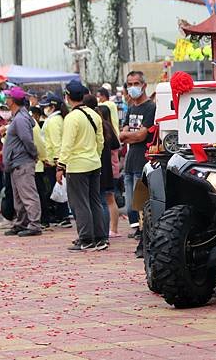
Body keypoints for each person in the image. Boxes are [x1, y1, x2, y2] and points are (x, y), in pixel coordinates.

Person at [57, 80, 106, 251]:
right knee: (95, 201)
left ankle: (86, 238)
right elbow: (100, 141)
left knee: (80, 203)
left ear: (68, 97)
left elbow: (67, 145)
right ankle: (100, 238)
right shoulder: (94, 114)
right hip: (94, 162)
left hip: (77, 166)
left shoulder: (72, 118)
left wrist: (60, 166)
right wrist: (95, 156)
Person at [119, 71, 156, 244]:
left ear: (144, 85)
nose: (132, 87)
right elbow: (123, 132)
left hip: (143, 161)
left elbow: (142, 135)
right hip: (130, 161)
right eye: (129, 84)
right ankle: (138, 231)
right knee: (129, 205)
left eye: (136, 83)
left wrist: (128, 134)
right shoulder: (131, 107)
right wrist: (128, 134)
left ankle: (144, 236)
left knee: (140, 203)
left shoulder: (151, 108)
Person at [2, 87, 43, 237]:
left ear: (13, 101)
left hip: (22, 162)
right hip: (17, 162)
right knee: (19, 197)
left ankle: (34, 224)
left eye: (8, 98)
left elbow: (27, 139)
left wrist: (33, 153)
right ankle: (22, 223)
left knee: (28, 194)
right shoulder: (19, 117)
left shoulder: (20, 119)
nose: (6, 100)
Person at [39, 94, 71, 228]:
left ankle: (62, 215)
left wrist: (57, 163)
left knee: (56, 188)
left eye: (46, 106)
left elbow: (56, 143)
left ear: (52, 107)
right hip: (54, 160)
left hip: (53, 161)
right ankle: (61, 215)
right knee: (58, 188)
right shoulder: (57, 119)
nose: (44, 109)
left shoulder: (53, 121)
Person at [96, 105, 121, 240]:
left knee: (108, 199)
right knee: (109, 199)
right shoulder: (110, 127)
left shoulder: (104, 127)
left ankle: (113, 229)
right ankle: (112, 228)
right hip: (111, 169)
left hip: (109, 169)